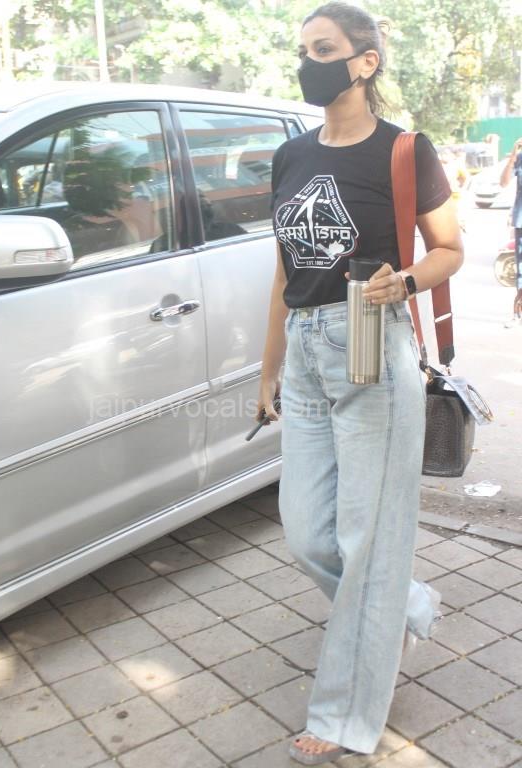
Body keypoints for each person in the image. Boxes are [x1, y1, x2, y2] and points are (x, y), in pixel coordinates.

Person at [256, 2, 463, 763]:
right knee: (308, 530)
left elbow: (449, 249)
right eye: (303, 50)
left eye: (323, 49)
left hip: (372, 336)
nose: (307, 63)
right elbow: (284, 268)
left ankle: (344, 716)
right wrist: (268, 366)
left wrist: (404, 281)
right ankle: (402, 602)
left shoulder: (405, 150)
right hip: (308, 346)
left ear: (365, 62)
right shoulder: (291, 155)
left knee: (367, 539)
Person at [499, 138, 522, 322]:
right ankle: (518, 311)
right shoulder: (519, 158)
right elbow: (504, 182)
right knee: (521, 271)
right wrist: (513, 156)